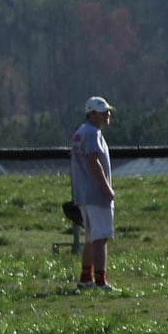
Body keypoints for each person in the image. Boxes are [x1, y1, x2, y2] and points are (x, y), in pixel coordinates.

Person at [70, 97, 114, 291]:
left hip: (84, 193)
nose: (107, 114)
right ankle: (100, 280)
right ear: (91, 114)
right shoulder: (92, 133)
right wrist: (106, 187)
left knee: (90, 236)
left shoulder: (80, 133)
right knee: (101, 236)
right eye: (102, 111)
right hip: (96, 194)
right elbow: (93, 161)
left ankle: (86, 277)